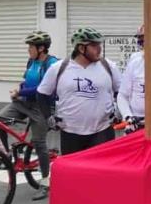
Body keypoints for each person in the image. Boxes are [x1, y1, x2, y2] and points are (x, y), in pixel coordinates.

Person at [37, 27, 122, 156]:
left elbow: (122, 92)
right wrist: (49, 117)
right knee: (74, 173)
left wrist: (118, 109)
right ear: (81, 48)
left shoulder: (109, 66)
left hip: (102, 131)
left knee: (100, 172)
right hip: (70, 132)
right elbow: (42, 93)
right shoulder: (58, 68)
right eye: (94, 45)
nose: (99, 48)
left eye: (99, 44)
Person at [0, 31, 59, 200]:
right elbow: (26, 80)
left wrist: (21, 91)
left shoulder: (52, 64)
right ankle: (6, 155)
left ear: (41, 48)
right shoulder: (31, 61)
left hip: (42, 106)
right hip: (24, 102)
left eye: (31, 46)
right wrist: (18, 88)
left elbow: (43, 88)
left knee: (39, 143)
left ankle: (46, 183)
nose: (28, 49)